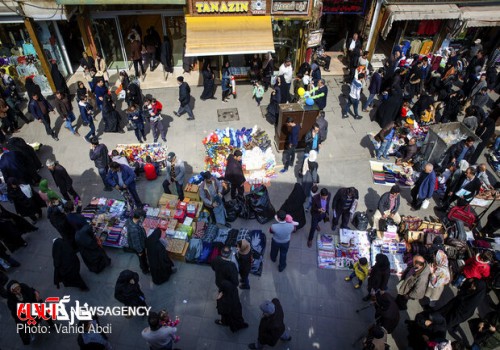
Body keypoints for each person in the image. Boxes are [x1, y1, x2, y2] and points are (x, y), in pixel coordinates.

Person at [6, 280, 55, 345]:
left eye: (18, 289)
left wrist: (35, 292)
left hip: (32, 306)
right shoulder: (11, 300)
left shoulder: (23, 286)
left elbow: (31, 290)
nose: (18, 291)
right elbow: (14, 311)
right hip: (23, 314)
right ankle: (29, 334)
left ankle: (51, 324)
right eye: (15, 291)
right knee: (24, 326)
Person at [125, 210, 149, 274]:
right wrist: (140, 251)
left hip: (140, 242)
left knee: (142, 258)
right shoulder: (134, 230)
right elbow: (136, 242)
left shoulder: (132, 221)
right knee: (142, 258)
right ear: (140, 217)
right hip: (139, 247)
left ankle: (144, 265)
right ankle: (145, 269)